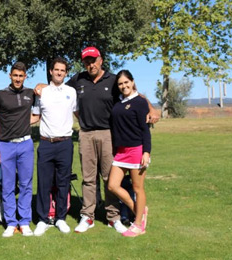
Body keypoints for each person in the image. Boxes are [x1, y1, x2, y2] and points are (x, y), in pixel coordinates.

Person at [34, 47, 159, 234]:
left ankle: (113, 216)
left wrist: (151, 108)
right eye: (87, 61)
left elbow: (133, 93)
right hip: (85, 134)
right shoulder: (79, 79)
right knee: (89, 178)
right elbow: (57, 85)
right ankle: (88, 215)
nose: (90, 64)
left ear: (101, 60)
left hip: (109, 134)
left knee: (109, 177)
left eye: (93, 60)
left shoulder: (113, 79)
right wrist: (40, 85)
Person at [30, 57, 78, 236]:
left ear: (66, 73)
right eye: (56, 70)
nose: (59, 73)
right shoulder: (42, 92)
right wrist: (13, 124)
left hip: (65, 143)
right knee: (43, 183)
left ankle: (60, 218)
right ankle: (42, 219)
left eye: (62, 70)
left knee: (62, 182)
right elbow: (35, 116)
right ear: (51, 71)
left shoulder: (71, 92)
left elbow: (78, 113)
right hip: (46, 143)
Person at [0, 61, 35, 237]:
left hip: (26, 144)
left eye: (21, 76)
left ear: (25, 77)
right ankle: (11, 222)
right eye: (15, 75)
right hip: (6, 145)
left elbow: (39, 110)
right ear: (10, 76)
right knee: (8, 185)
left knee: (26, 184)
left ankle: (24, 222)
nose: (18, 79)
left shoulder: (31, 94)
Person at [107, 70, 151, 237]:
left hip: (136, 150)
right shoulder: (118, 104)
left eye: (126, 82)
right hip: (121, 152)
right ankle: (139, 210)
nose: (124, 86)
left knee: (137, 188)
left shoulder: (140, 102)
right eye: (120, 84)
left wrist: (146, 152)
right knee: (112, 185)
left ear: (132, 82)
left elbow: (145, 130)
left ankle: (138, 224)